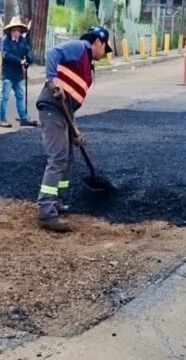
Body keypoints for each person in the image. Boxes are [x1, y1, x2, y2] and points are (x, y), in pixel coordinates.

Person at [34, 26, 113, 232]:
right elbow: (52, 53)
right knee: (58, 158)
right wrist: (52, 80)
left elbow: (70, 103)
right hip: (52, 107)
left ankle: (57, 200)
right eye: (105, 48)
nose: (105, 53)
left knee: (68, 157)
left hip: (63, 111)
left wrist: (74, 130)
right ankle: (45, 212)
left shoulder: (87, 63)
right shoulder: (79, 48)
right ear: (98, 42)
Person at [0, 16, 37, 128]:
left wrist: (28, 60)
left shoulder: (22, 41)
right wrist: (19, 61)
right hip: (8, 73)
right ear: (11, 30)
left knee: (20, 96)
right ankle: (2, 119)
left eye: (18, 30)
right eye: (15, 30)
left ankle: (23, 118)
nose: (17, 32)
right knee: (5, 96)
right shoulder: (6, 41)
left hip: (18, 74)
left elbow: (28, 51)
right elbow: (6, 55)